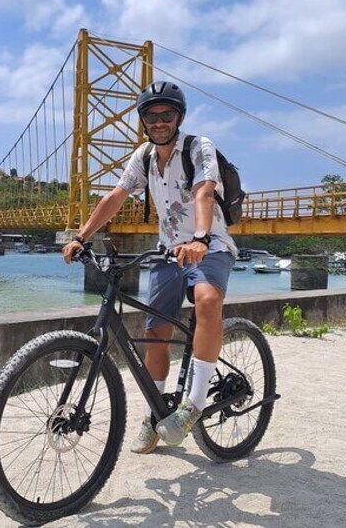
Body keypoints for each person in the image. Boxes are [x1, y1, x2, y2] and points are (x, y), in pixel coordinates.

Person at [62, 81, 237, 454]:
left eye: (167, 115)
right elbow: (116, 195)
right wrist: (82, 236)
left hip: (210, 246)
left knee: (207, 301)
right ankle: (154, 416)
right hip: (167, 252)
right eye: (151, 115)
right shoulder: (143, 156)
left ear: (179, 117)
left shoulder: (197, 147)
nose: (159, 122)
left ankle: (193, 406)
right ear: (142, 120)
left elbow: (204, 191)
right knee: (155, 332)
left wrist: (201, 237)